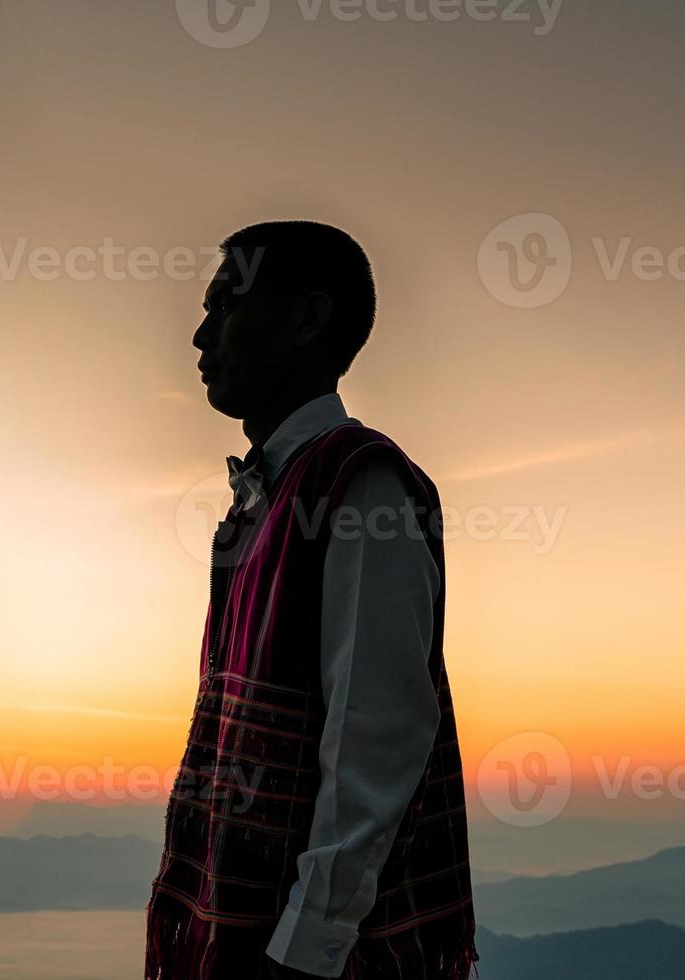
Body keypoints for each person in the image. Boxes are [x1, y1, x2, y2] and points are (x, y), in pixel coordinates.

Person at [145, 223, 478, 979]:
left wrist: (305, 952)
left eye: (224, 306)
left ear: (305, 320)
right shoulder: (264, 500)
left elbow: (376, 740)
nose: (199, 336)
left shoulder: (360, 485)